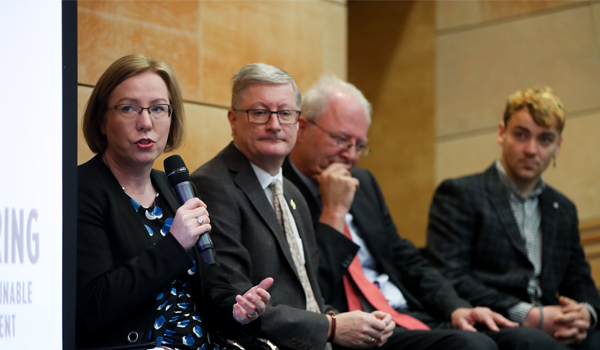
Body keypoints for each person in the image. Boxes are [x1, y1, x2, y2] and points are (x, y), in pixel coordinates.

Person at [284, 76, 562, 350]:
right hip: (355, 325)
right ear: (302, 128)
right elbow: (308, 290)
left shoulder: (364, 183)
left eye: (359, 146)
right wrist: (333, 213)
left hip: (407, 311)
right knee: (473, 347)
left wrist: (456, 308)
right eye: (341, 139)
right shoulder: (280, 190)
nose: (350, 155)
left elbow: (406, 259)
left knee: (530, 340)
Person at [190, 64, 395, 350]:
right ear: (233, 119)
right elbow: (235, 299)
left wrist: (354, 321)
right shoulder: (212, 184)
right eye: (260, 113)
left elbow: (309, 293)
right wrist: (331, 327)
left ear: (298, 124)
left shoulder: (293, 192)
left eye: (285, 113)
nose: (274, 125)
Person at [77, 54, 272, 349]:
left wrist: (237, 310)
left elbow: (211, 284)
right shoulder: (82, 189)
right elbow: (92, 305)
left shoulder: (176, 188)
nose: (145, 123)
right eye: (128, 108)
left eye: (158, 109)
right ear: (102, 120)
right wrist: (174, 245)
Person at [426, 87, 600, 349]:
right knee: (533, 341)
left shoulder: (562, 208)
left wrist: (584, 313)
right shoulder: (460, 193)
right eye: (521, 135)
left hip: (551, 322)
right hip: (494, 322)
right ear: (501, 133)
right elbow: (450, 275)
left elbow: (579, 280)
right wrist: (528, 314)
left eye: (545, 140)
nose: (531, 150)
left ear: (557, 146)